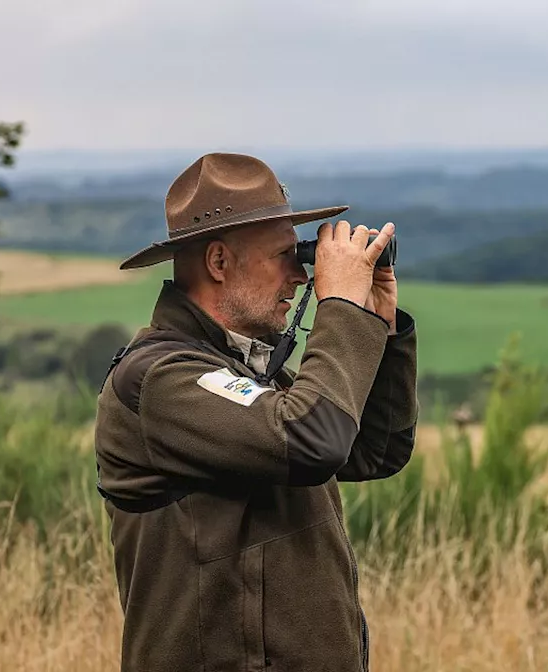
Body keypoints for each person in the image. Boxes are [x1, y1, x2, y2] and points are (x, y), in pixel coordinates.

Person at [93, 152, 417, 672]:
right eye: (286, 256)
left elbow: (373, 453)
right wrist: (340, 309)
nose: (299, 275)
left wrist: (379, 324)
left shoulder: (249, 372)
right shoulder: (160, 379)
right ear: (219, 262)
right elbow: (314, 442)